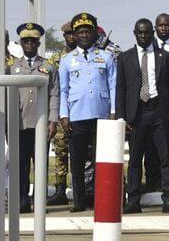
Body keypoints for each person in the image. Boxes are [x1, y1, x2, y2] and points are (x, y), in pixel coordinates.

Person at [59, 13, 117, 212]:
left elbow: (113, 86)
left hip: (101, 114)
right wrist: (64, 115)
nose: (84, 35)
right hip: (77, 115)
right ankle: (79, 201)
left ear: (94, 34)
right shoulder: (67, 60)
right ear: (74, 35)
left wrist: (113, 112)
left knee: (101, 159)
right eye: (80, 32)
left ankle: (101, 197)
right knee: (76, 160)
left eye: (87, 31)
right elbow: (63, 90)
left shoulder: (106, 57)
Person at [116, 18, 169, 213]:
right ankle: (133, 201)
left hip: (159, 113)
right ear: (135, 33)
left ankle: (167, 199)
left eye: (147, 32)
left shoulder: (164, 56)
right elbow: (120, 89)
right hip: (136, 115)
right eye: (140, 32)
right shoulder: (125, 58)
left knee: (165, 159)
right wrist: (122, 117)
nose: (144, 36)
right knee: (135, 160)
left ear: (152, 33)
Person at [10, 23, 59, 213]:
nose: (29, 44)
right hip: (19, 123)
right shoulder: (12, 67)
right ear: (21, 43)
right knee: (20, 165)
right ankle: (21, 201)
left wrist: (53, 120)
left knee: (40, 164)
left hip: (41, 123)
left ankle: (39, 202)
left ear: (38, 43)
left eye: (33, 41)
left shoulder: (48, 67)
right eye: (26, 41)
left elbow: (54, 94)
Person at [46, 21, 77, 205]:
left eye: (74, 33)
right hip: (61, 112)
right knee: (60, 152)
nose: (72, 37)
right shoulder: (56, 59)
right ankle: (59, 189)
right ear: (64, 36)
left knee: (81, 153)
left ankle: (81, 189)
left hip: (79, 111)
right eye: (68, 34)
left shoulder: (84, 56)